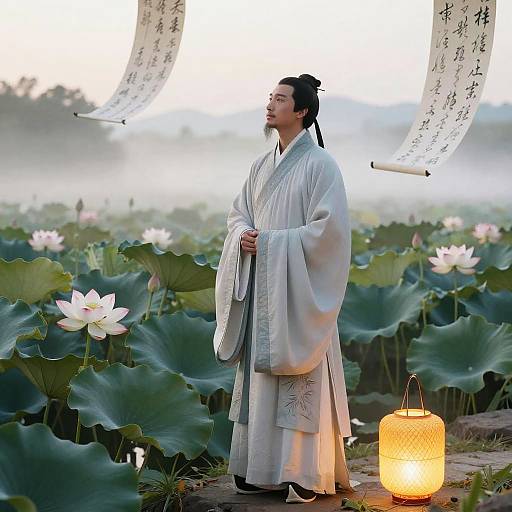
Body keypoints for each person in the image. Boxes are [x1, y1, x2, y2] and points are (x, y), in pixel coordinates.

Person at [213, 73, 355, 504]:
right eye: (269, 97)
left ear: (302, 112)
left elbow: (328, 233)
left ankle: (302, 472)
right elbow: (238, 215)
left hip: (297, 295)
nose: (270, 105)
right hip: (263, 291)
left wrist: (272, 243)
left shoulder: (321, 165)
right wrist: (243, 238)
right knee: (261, 382)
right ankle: (258, 469)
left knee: (297, 382)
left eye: (280, 99)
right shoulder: (259, 166)